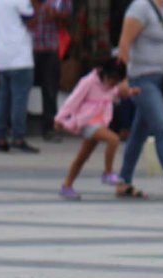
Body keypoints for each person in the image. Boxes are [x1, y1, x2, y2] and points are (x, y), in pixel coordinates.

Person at [115, 0, 163, 200]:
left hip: (161, 78)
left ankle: (123, 180)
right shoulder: (140, 7)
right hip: (142, 79)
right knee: (161, 126)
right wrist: (122, 78)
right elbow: (124, 42)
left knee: (139, 131)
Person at [54, 57, 134, 200]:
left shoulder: (110, 86)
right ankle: (108, 173)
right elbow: (73, 100)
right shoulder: (89, 82)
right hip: (87, 121)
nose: (113, 84)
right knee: (113, 139)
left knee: (82, 157)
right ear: (105, 74)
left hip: (100, 122)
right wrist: (60, 118)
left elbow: (114, 92)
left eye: (116, 81)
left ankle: (66, 186)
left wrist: (130, 92)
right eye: (112, 80)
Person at [0, 0, 41, 152]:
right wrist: (36, 4)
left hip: (3, 57)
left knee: (3, 99)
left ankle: (0, 137)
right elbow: (32, 22)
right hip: (20, 56)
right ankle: (18, 137)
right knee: (20, 99)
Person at [31, 0, 67, 141]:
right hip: (28, 46)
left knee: (50, 89)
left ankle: (49, 128)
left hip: (50, 46)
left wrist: (56, 15)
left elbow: (68, 16)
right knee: (21, 89)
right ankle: (16, 128)